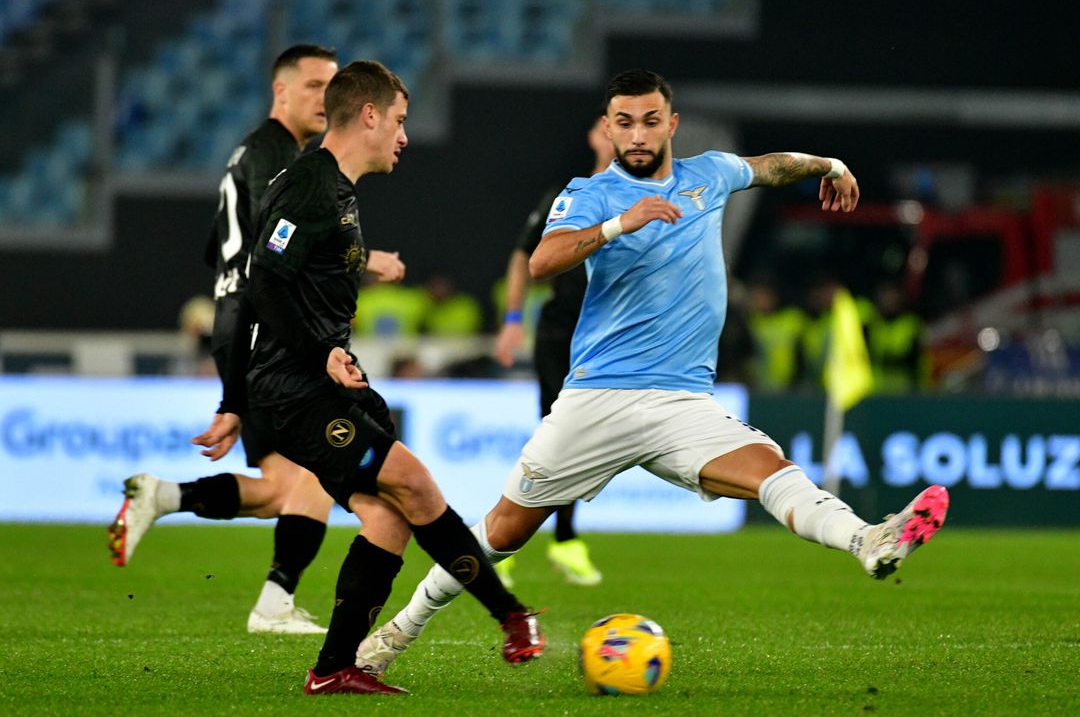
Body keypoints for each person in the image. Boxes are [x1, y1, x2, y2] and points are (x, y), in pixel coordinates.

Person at [354, 68, 950, 677]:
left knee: (775, 471)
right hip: (597, 399)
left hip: (682, 403)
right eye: (623, 122)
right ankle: (400, 630)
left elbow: (769, 166)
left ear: (671, 123)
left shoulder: (708, 175)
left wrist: (828, 162)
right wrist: (620, 224)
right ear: (608, 127)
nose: (636, 135)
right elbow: (542, 261)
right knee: (504, 530)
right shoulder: (589, 194)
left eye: (648, 120)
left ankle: (868, 542)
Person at [192, 59, 543, 696]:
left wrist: (331, 347)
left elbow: (302, 283)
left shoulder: (339, 191)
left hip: (323, 381)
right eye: (400, 121)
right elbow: (263, 283)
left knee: (389, 519)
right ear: (371, 115)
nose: (405, 137)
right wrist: (305, 358)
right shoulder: (308, 187)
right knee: (413, 482)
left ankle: (332, 669)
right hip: (295, 389)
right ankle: (512, 617)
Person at [108, 45, 347, 636]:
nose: (327, 99)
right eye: (315, 85)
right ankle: (274, 604)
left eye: (333, 87)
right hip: (266, 325)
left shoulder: (254, 153)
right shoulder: (275, 155)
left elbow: (219, 245)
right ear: (281, 90)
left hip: (237, 321)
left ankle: (161, 496)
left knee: (282, 490)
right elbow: (278, 252)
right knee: (323, 467)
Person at [489, 112, 614, 588]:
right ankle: (522, 539)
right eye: (611, 122)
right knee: (554, 433)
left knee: (582, 439)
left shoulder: (644, 196)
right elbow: (525, 254)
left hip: (612, 335)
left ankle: (559, 539)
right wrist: (513, 320)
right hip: (563, 329)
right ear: (595, 133)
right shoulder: (572, 194)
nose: (619, 133)